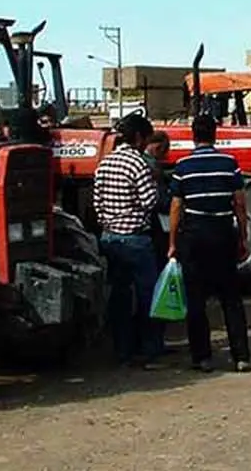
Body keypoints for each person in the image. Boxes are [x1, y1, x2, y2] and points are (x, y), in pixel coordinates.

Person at [168, 114, 251, 373]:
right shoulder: (229, 163)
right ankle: (241, 356)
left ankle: (202, 357)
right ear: (215, 134)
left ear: (193, 135)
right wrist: (243, 235)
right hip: (223, 232)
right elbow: (239, 202)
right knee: (231, 298)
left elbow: (175, 207)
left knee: (196, 299)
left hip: (194, 236)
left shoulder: (182, 166)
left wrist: (172, 242)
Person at [92, 112, 166, 368]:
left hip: (110, 238)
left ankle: (122, 351)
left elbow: (97, 204)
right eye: (145, 139)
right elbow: (150, 201)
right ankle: (150, 350)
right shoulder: (138, 164)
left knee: (120, 297)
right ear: (138, 137)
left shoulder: (104, 163)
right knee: (149, 296)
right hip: (136, 239)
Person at [144, 129, 173, 264]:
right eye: (164, 152)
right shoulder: (151, 166)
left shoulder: (143, 161)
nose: (165, 157)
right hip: (155, 222)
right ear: (157, 148)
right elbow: (160, 200)